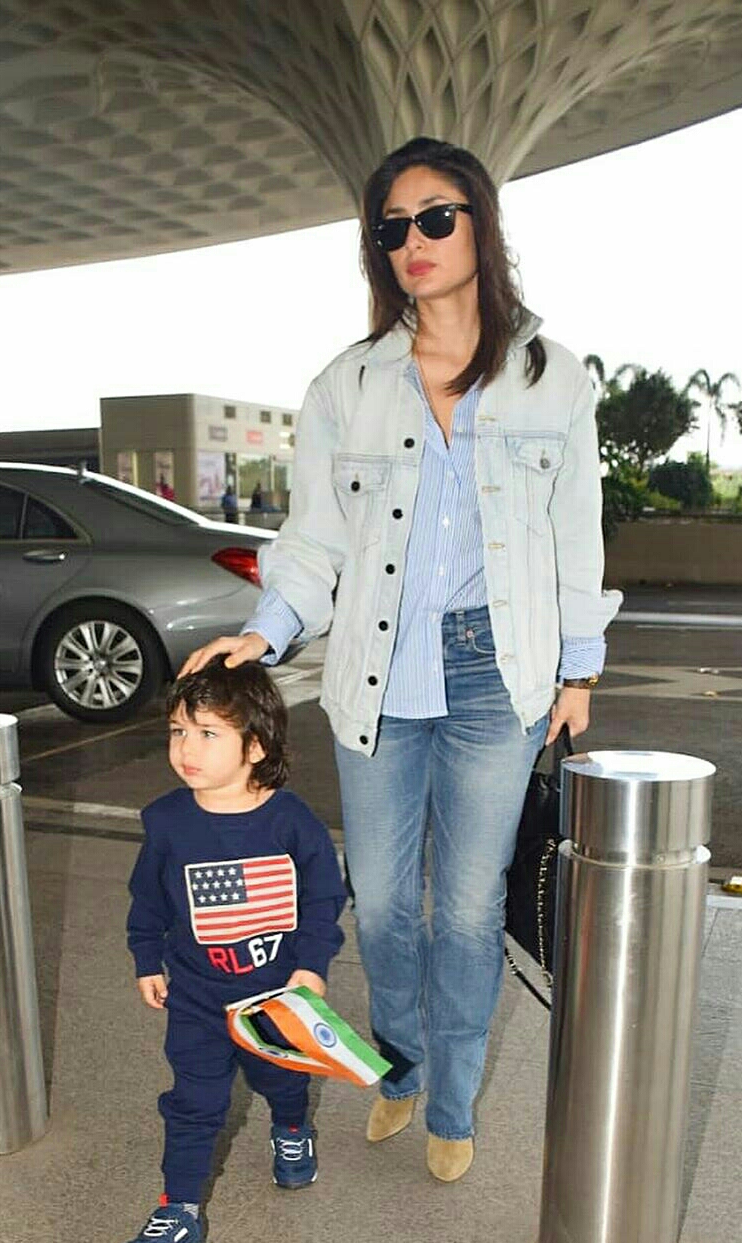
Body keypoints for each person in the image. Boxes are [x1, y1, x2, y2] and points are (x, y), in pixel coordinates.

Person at [180, 137, 622, 1183]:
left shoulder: (553, 378)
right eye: (391, 226)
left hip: (497, 672)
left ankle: (452, 1104)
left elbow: (577, 529)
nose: (413, 241)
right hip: (376, 675)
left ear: (480, 224)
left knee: (468, 908)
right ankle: (404, 1067)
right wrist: (269, 625)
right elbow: (315, 539)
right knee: (378, 900)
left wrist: (580, 667)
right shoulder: (349, 385)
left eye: (437, 217)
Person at [123, 658, 346, 1243]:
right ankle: (180, 1213)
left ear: (255, 745)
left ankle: (293, 1130)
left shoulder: (291, 821)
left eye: (207, 733)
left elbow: (324, 899)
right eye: (177, 731)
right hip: (196, 998)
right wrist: (147, 957)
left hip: (274, 997)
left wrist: (311, 965)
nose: (186, 749)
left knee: (282, 1078)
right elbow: (149, 898)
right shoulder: (168, 822)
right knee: (193, 1101)